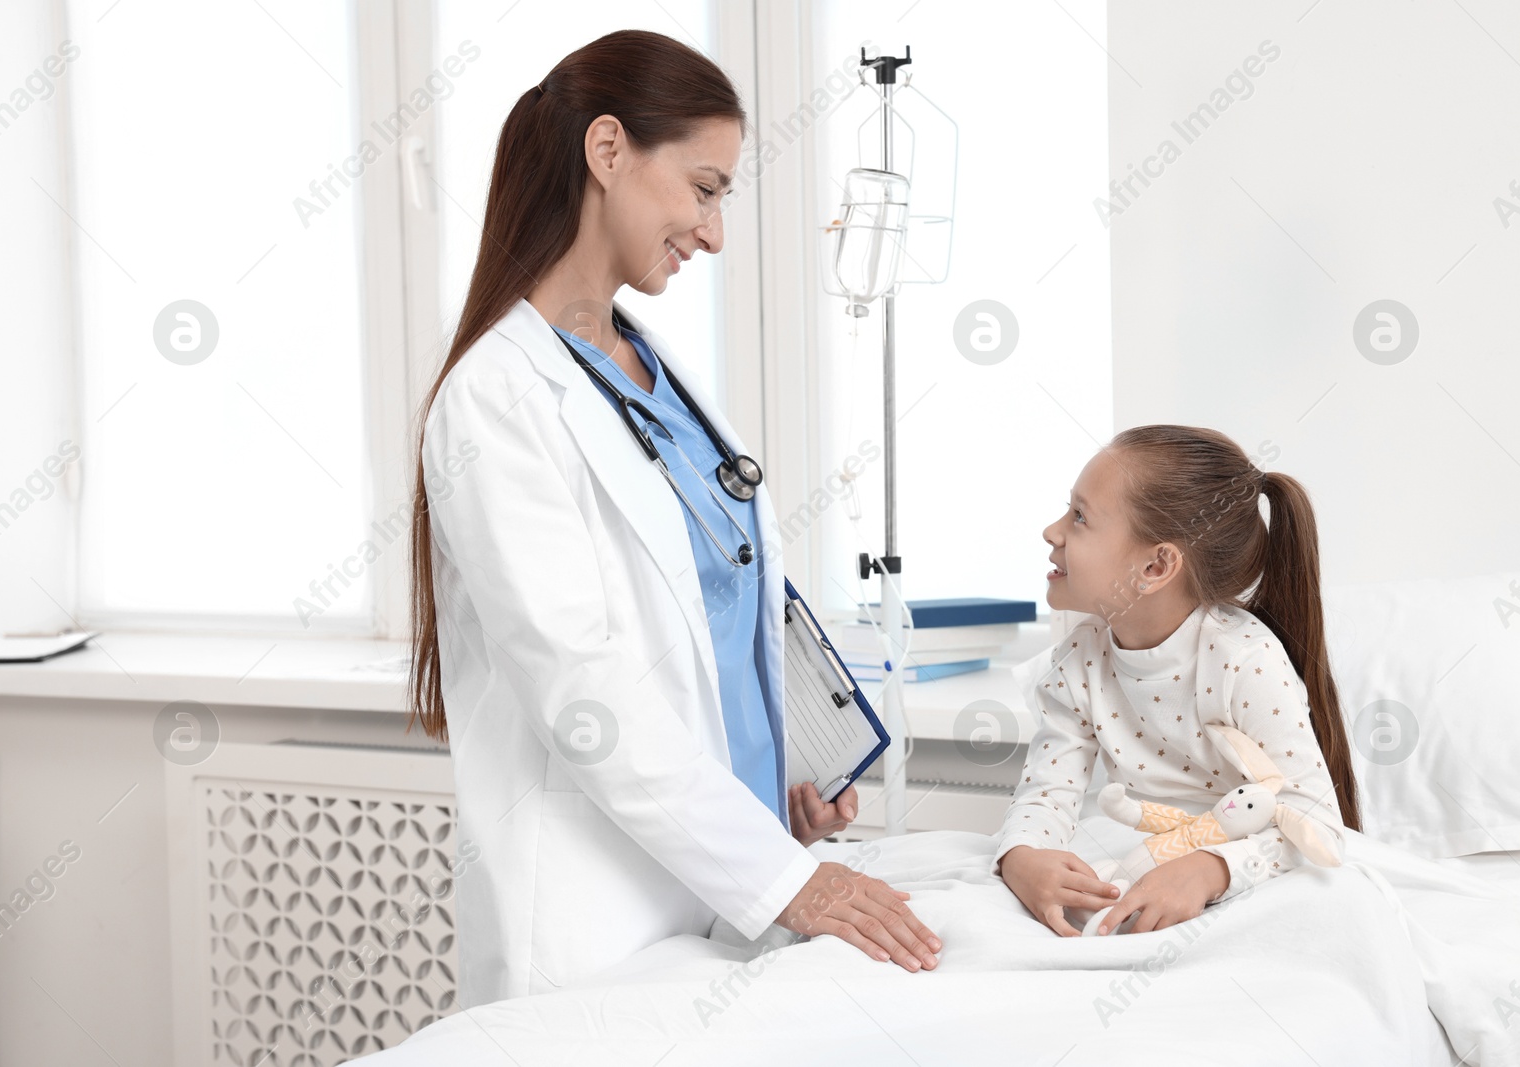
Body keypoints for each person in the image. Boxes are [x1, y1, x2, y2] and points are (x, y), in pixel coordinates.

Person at [404, 29, 939, 1008]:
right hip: (597, 911)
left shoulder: (657, 373)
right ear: (608, 151)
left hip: (722, 884)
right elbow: (585, 685)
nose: (714, 231)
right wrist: (784, 879)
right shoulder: (496, 398)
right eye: (705, 188)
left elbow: (715, 622)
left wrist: (771, 781)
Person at [996, 425, 1361, 936]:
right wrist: (1022, 857)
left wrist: (1208, 871)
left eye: (1079, 517)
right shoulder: (1079, 657)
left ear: (1155, 565)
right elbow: (1046, 793)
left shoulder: (1243, 660)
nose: (1052, 531)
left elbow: (1317, 824)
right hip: (1141, 854)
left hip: (1247, 867)